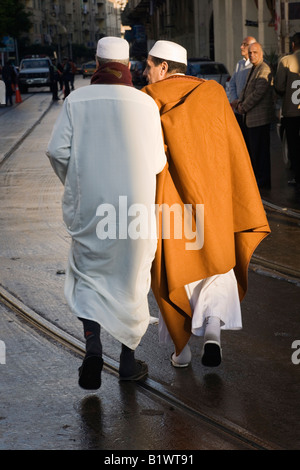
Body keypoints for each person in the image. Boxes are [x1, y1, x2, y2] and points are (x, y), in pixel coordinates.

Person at [46, 37, 166, 390]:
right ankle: (128, 363)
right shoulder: (145, 104)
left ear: (96, 63)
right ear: (128, 65)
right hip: (133, 212)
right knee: (132, 282)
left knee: (88, 278)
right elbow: (158, 162)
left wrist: (78, 184)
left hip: (90, 209)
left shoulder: (76, 100)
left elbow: (57, 152)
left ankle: (93, 346)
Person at [142, 40, 270, 368]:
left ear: (164, 68)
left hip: (170, 201)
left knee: (174, 269)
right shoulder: (213, 94)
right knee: (217, 262)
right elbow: (231, 148)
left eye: (149, 66)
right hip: (214, 197)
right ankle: (213, 329)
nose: (145, 72)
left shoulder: (150, 98)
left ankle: (181, 350)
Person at [237, 42, 275, 189]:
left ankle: (263, 181)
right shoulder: (252, 69)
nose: (252, 55)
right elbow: (245, 90)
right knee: (254, 152)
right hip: (250, 119)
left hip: (259, 119)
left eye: (255, 52)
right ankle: (258, 179)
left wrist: (243, 107)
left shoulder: (264, 69)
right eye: (250, 52)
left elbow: (258, 93)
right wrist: (240, 103)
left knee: (261, 153)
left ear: (261, 53)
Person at [274, 32, 300, 193]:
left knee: (294, 145)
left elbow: (280, 87)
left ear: (292, 45)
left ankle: (297, 177)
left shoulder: (286, 61)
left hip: (291, 113)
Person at [228, 36, 256, 136]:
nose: (241, 47)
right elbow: (232, 84)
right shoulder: (239, 64)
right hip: (238, 111)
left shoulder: (256, 65)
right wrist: (235, 100)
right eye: (242, 44)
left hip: (250, 113)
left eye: (245, 44)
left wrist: (243, 105)